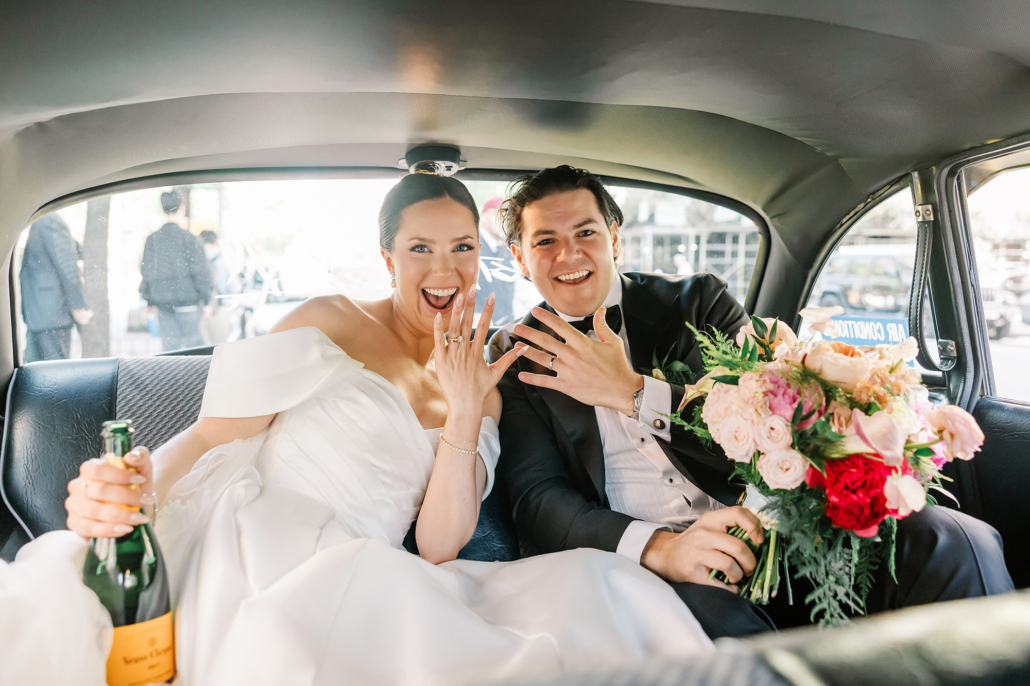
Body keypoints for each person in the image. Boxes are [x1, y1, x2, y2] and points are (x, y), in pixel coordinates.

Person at [63, 173, 712, 684]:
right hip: (254, 541)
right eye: (419, 249)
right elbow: (211, 435)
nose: (443, 271)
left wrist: (463, 408)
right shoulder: (330, 319)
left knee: (597, 594)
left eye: (462, 248)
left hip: (376, 573)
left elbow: (437, 544)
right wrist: (139, 483)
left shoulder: (483, 383)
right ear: (386, 256)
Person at [487, 165, 1015, 639]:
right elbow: (539, 500)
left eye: (586, 233)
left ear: (614, 238)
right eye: (546, 241)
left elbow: (773, 417)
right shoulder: (514, 355)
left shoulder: (698, 302)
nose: (569, 255)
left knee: (954, 537)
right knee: (718, 626)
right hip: (655, 565)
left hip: (774, 523)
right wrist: (662, 549)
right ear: (519, 256)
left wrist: (632, 391)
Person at [139, 191, 215, 352]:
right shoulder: (190, 239)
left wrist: (148, 301)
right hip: (189, 303)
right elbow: (201, 271)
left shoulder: (152, 239)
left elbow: (147, 272)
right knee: (195, 349)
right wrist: (207, 301)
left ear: (163, 208)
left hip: (164, 304)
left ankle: (172, 378)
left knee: (170, 350)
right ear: (181, 207)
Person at [19, 214, 93, 362]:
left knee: (55, 374)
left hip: (51, 313)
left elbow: (66, 264)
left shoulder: (48, 220)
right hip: (41, 314)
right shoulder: (42, 221)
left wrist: (77, 305)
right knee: (33, 372)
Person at [474, 197, 518, 325]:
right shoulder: (472, 246)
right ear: (484, 215)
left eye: (508, 217)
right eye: (498, 214)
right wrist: (475, 313)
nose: (504, 221)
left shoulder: (507, 249)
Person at [198, 230, 241, 344]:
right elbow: (235, 288)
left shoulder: (194, 261)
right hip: (220, 309)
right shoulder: (224, 260)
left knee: (202, 351)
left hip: (200, 311)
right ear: (215, 242)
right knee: (220, 348)